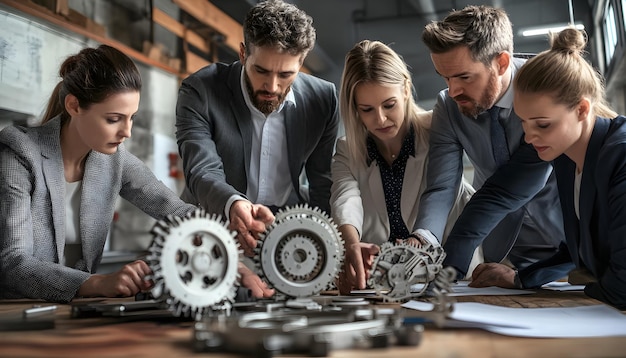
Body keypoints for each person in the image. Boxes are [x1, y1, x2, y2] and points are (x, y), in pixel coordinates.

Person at [0, 45, 273, 303]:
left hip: (70, 313)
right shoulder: (20, 153)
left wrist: (232, 262)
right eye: (113, 119)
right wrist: (96, 283)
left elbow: (177, 212)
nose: (126, 132)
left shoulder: (112, 160)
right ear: (74, 106)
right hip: (14, 313)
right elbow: (13, 262)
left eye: (131, 118)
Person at [414, 5, 571, 285]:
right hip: (506, 253)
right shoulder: (448, 107)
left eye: (464, 77)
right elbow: (442, 185)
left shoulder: (549, 87)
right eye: (445, 78)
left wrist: (450, 268)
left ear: (501, 62)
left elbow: (513, 185)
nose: (453, 91)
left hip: (569, 243)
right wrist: (423, 238)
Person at [472, 28, 626, 309]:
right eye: (524, 123)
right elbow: (577, 250)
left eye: (543, 125)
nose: (529, 138)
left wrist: (582, 296)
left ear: (582, 109)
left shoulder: (621, 156)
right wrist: (521, 278)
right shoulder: (567, 157)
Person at [175, 0, 339, 257]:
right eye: (261, 70)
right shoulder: (201, 91)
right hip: (211, 230)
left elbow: (322, 182)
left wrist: (326, 247)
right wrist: (234, 203)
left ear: (301, 63)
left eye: (285, 74)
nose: (272, 87)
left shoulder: (323, 99)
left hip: (288, 235)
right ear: (243, 54)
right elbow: (201, 170)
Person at [330, 40, 476, 294]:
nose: (380, 119)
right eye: (367, 109)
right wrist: (352, 245)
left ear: (406, 90)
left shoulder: (439, 131)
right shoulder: (347, 149)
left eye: (389, 105)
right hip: (385, 283)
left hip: (453, 274)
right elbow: (345, 200)